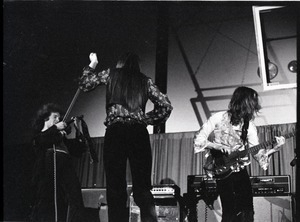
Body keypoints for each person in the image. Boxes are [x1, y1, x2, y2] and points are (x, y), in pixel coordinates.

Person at [78, 52, 173, 222]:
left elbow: (85, 84)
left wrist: (93, 63)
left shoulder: (111, 74)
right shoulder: (145, 81)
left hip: (116, 132)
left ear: (120, 63)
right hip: (138, 133)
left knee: (115, 187)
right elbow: (166, 106)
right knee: (142, 188)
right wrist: (146, 119)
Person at [193, 86, 285, 222]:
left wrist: (274, 148)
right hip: (223, 168)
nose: (254, 109)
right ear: (243, 103)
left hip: (240, 170)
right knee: (229, 210)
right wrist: (217, 146)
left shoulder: (249, 126)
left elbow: (257, 153)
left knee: (247, 209)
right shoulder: (218, 118)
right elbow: (199, 139)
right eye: (252, 104)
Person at [30, 103, 88, 222]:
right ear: (46, 118)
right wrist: (56, 129)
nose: (58, 120)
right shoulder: (40, 135)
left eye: (59, 118)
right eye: (55, 117)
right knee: (47, 199)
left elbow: (76, 151)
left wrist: (78, 133)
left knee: (75, 196)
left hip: (65, 163)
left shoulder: (60, 138)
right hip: (49, 164)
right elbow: (40, 140)